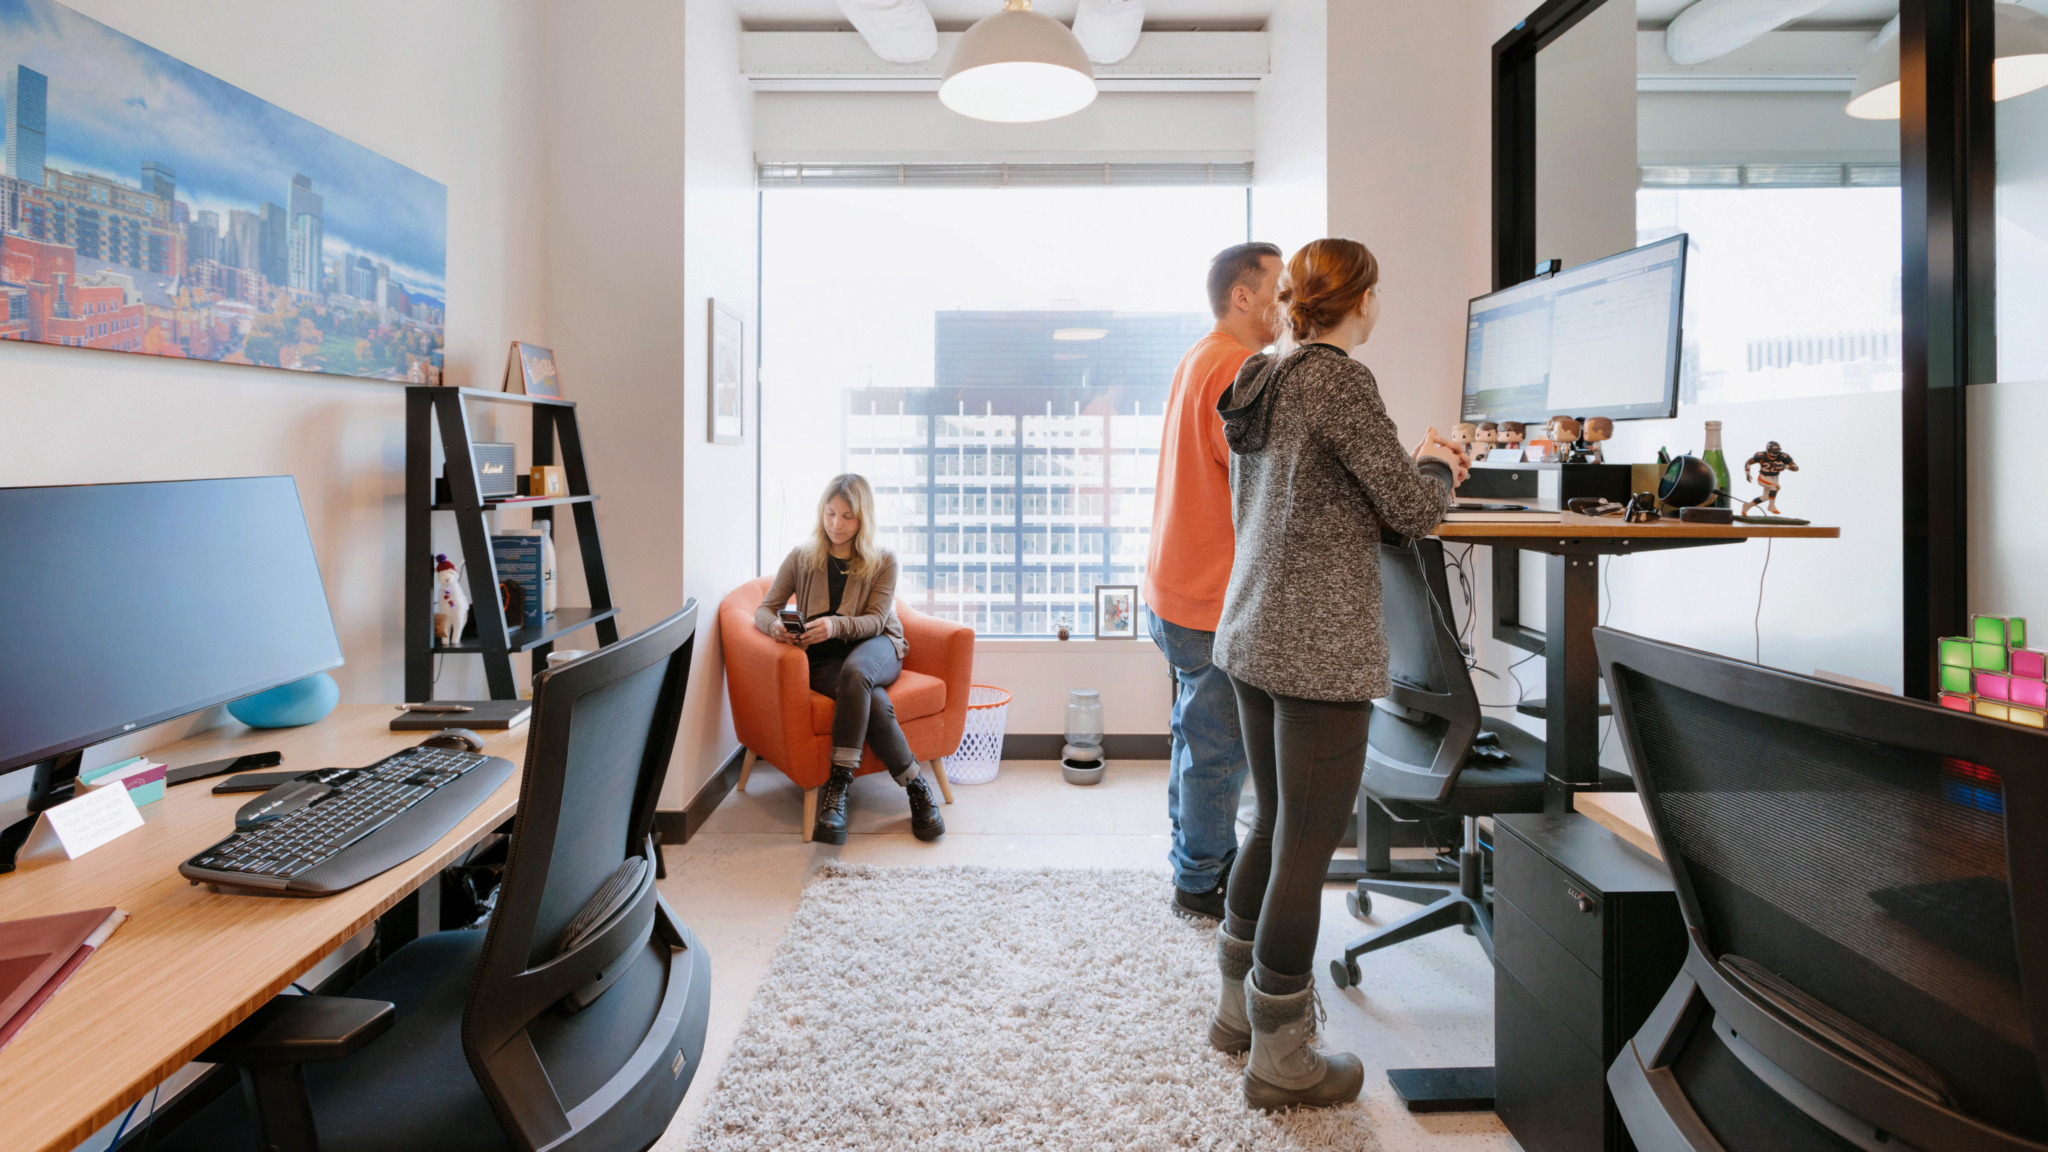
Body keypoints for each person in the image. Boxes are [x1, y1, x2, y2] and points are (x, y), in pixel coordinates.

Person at [1206, 237, 1469, 1110]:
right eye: (1378, 292)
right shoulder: (1338, 378)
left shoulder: (1263, 375)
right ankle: (1283, 1057)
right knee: (1307, 846)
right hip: (1314, 649)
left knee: (1272, 823)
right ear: (1357, 300)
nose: (1379, 306)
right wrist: (1440, 463)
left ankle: (1237, 1015)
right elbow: (1409, 509)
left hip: (1251, 633)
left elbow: (1317, 493)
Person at [1143, 241, 1284, 920]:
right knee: (1220, 755)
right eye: (1278, 292)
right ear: (1243, 296)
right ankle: (1200, 885)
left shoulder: (1197, 357)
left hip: (1173, 588)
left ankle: (1190, 859)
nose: (1285, 308)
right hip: (1210, 597)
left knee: (1193, 737)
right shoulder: (1239, 367)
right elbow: (1261, 479)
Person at [754, 474, 944, 845]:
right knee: (869, 697)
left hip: (878, 646)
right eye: (830, 514)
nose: (836, 525)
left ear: (863, 519)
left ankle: (838, 785)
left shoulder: (883, 561)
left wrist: (834, 625)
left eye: (847, 517)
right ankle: (916, 785)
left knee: (858, 672)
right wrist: (775, 627)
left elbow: (875, 619)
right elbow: (765, 608)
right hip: (824, 658)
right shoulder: (802, 557)